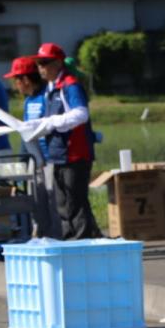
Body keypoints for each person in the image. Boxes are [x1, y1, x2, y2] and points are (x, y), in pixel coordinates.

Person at [28, 43, 100, 240]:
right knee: (62, 203)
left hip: (75, 153)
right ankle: (68, 240)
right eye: (38, 63)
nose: (40, 68)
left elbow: (81, 114)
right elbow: (49, 118)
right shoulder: (50, 88)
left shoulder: (70, 85)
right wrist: (36, 124)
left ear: (58, 63)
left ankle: (81, 242)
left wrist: (53, 122)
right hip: (58, 153)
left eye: (44, 63)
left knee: (75, 202)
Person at [3, 56, 60, 238]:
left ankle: (56, 239)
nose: (15, 85)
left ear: (25, 80)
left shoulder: (47, 96)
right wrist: (22, 160)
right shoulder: (28, 102)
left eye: (16, 80)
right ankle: (42, 236)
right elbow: (25, 133)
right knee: (37, 202)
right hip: (35, 161)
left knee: (53, 203)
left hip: (49, 159)